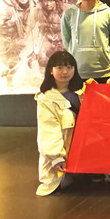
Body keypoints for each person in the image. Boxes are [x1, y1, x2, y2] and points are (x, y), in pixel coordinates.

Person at [36, 50, 85, 196]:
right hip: (63, 157)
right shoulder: (46, 99)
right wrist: (56, 158)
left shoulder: (82, 92)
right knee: (61, 183)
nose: (65, 71)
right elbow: (48, 130)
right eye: (60, 67)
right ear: (51, 71)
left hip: (82, 151)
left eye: (69, 67)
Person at [61, 0, 110, 82]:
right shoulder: (69, 14)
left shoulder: (109, 13)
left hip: (104, 72)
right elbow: (67, 41)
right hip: (77, 72)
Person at [0, 0, 36, 85]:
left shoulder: (33, 8)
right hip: (2, 46)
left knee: (15, 69)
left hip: (19, 46)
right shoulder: (4, 8)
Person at [29, 0, 66, 71]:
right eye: (45, 0)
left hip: (63, 41)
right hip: (47, 40)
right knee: (42, 60)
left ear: (56, 1)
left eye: (51, 1)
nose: (48, 4)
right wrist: (35, 51)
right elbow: (38, 32)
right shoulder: (39, 12)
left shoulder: (64, 11)